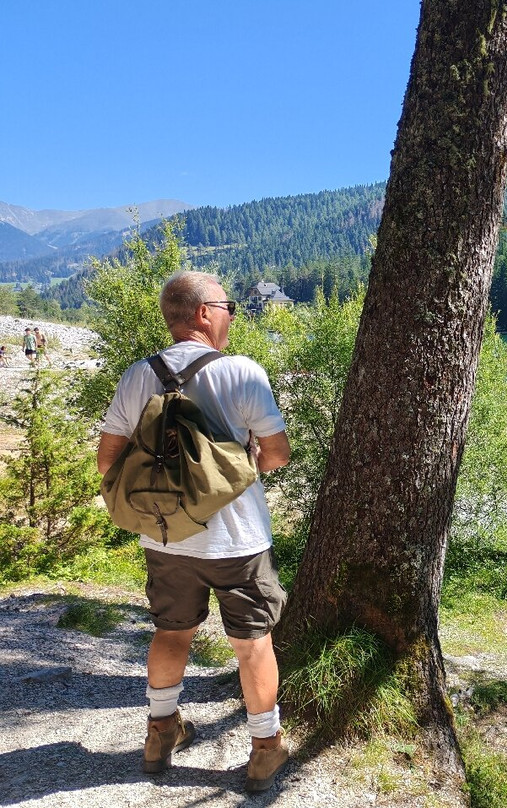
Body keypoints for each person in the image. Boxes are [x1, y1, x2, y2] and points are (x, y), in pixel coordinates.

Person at [96, 271, 292, 792]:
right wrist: (240, 461)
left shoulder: (141, 374)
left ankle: (161, 730)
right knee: (252, 642)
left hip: (163, 537)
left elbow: (106, 461)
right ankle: (265, 750)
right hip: (238, 540)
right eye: (228, 305)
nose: (232, 314)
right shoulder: (242, 372)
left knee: (171, 631)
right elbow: (276, 455)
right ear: (204, 313)